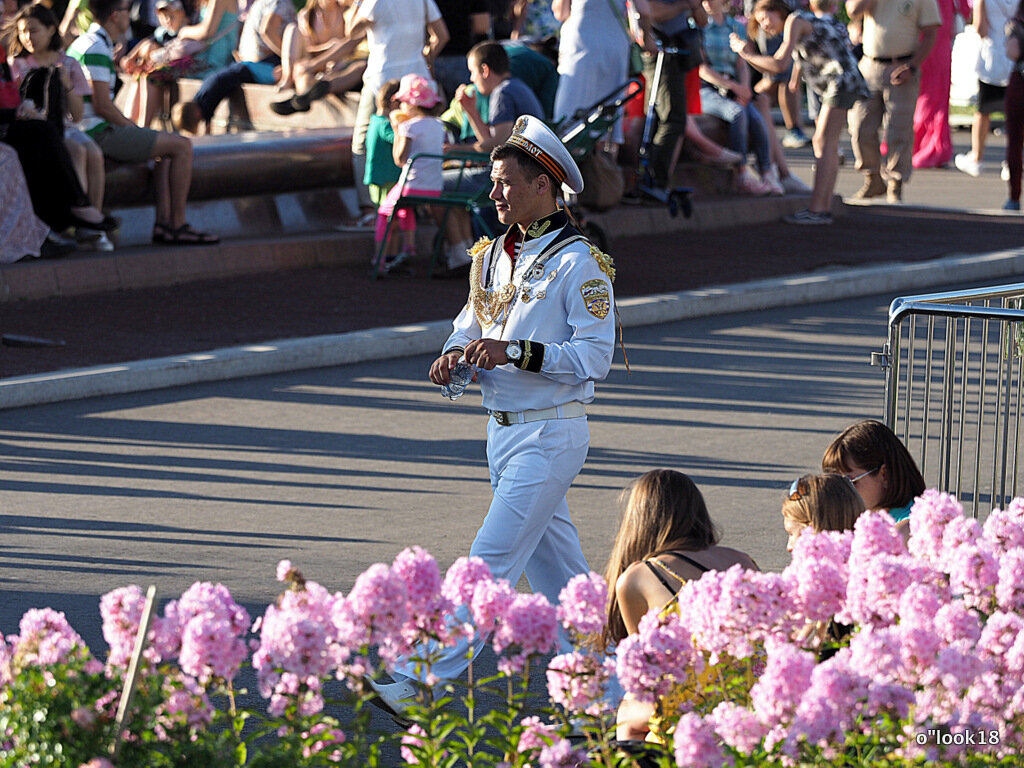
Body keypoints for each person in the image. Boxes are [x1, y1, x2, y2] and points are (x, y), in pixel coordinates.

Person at [368, 115, 617, 717]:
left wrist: (514, 353)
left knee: (489, 561)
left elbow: (594, 357)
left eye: (506, 182)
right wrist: (455, 360)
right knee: (562, 579)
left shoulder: (580, 262)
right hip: (501, 432)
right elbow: (470, 327)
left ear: (544, 184)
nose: (494, 194)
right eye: (493, 180)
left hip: (552, 431)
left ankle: (418, 681)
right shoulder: (491, 256)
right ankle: (608, 692)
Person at [602, 469, 758, 742]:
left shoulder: (637, 578)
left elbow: (646, 671)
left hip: (692, 709)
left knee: (627, 712)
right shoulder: (742, 560)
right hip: (751, 697)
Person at [68, 0, 218, 244]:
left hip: (89, 129)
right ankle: (178, 224)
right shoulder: (95, 46)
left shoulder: (91, 42)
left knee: (165, 151)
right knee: (182, 146)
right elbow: (102, 106)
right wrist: (134, 129)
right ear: (116, 16)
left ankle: (164, 225)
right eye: (127, 11)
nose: (131, 17)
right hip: (96, 131)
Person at [732, 0, 870, 224]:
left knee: (823, 143)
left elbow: (779, 64)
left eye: (766, 18)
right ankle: (822, 208)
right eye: (760, 23)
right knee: (826, 145)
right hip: (844, 81)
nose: (765, 25)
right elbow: (809, 49)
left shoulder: (794, 20)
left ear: (778, 10)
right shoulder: (805, 20)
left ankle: (817, 210)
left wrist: (746, 54)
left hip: (840, 82)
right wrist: (796, 78)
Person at [7, 3, 113, 250]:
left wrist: (66, 84)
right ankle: (72, 218)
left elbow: (76, 116)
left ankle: (91, 224)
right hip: (38, 130)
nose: (28, 37)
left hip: (63, 126)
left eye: (34, 30)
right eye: (23, 32)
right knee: (76, 152)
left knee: (94, 153)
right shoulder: (17, 65)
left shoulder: (67, 63)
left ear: (51, 29)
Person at [338, 0, 448, 232]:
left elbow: (352, 31)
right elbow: (441, 35)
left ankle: (369, 210)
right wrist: (424, 58)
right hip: (415, 81)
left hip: (382, 79)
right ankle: (415, 205)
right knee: (415, 140)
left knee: (364, 142)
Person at [441, 40, 546, 273]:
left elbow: (496, 146)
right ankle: (467, 250)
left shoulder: (503, 93)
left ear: (485, 70)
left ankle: (462, 254)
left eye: (472, 72)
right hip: (525, 172)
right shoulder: (517, 87)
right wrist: (471, 111)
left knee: (436, 185)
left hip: (510, 177)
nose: (471, 80)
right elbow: (495, 140)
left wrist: (455, 150)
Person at [845, 0, 941, 203]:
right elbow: (853, 11)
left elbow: (931, 33)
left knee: (899, 129)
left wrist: (913, 66)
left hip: (903, 66)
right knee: (860, 126)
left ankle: (895, 184)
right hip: (870, 64)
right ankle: (872, 178)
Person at [698, 0, 781, 195]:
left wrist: (743, 88)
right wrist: (732, 86)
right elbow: (702, 69)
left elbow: (741, 63)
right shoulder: (698, 27)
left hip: (733, 88)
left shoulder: (735, 27)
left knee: (756, 118)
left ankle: (767, 172)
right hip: (708, 88)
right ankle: (742, 172)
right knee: (737, 114)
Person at [173, 0, 295, 132]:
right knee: (268, 72)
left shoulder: (203, 103)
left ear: (197, 116)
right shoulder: (203, 98)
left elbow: (207, 126)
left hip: (243, 69)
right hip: (240, 67)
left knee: (272, 73)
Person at [781, 472, 865, 656]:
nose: (789, 546)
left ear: (815, 532)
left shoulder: (818, 597)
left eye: (792, 534)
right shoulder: (866, 574)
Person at [372, 74, 445, 273]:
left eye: (403, 103)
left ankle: (379, 260)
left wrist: (397, 131)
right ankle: (409, 248)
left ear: (411, 104)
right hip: (434, 188)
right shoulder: (439, 125)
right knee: (404, 208)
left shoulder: (408, 126)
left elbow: (400, 159)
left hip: (412, 187)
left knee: (385, 211)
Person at [552, 0, 630, 151]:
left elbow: (561, 12)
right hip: (615, 46)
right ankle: (604, 170)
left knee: (569, 121)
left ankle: (571, 170)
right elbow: (644, 11)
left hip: (582, 44)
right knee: (608, 120)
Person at [820, 419, 926, 527]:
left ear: (885, 475)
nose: (839, 493)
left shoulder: (914, 525)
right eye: (833, 484)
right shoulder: (858, 520)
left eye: (849, 482)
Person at [269, 0, 367, 117]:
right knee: (302, 67)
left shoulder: (346, 11)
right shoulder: (308, 14)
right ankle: (300, 96)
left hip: (346, 60)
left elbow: (350, 43)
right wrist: (321, 56)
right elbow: (310, 49)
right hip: (327, 59)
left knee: (358, 68)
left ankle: (306, 97)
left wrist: (321, 62)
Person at [954, 0, 1016, 179]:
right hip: (1014, 58)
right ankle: (1011, 161)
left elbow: (980, 28)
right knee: (1014, 114)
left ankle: (977, 158)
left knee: (983, 111)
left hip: (992, 59)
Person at [912, 0, 970, 168]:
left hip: (919, 37)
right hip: (939, 39)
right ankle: (928, 147)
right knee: (936, 97)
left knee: (923, 95)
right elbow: (964, 10)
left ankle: (917, 145)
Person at [1004, 0, 1024, 210]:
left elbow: (1013, 52)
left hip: (1020, 79)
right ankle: (1013, 196)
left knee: (1015, 141)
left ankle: (1014, 196)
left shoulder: (1017, 22)